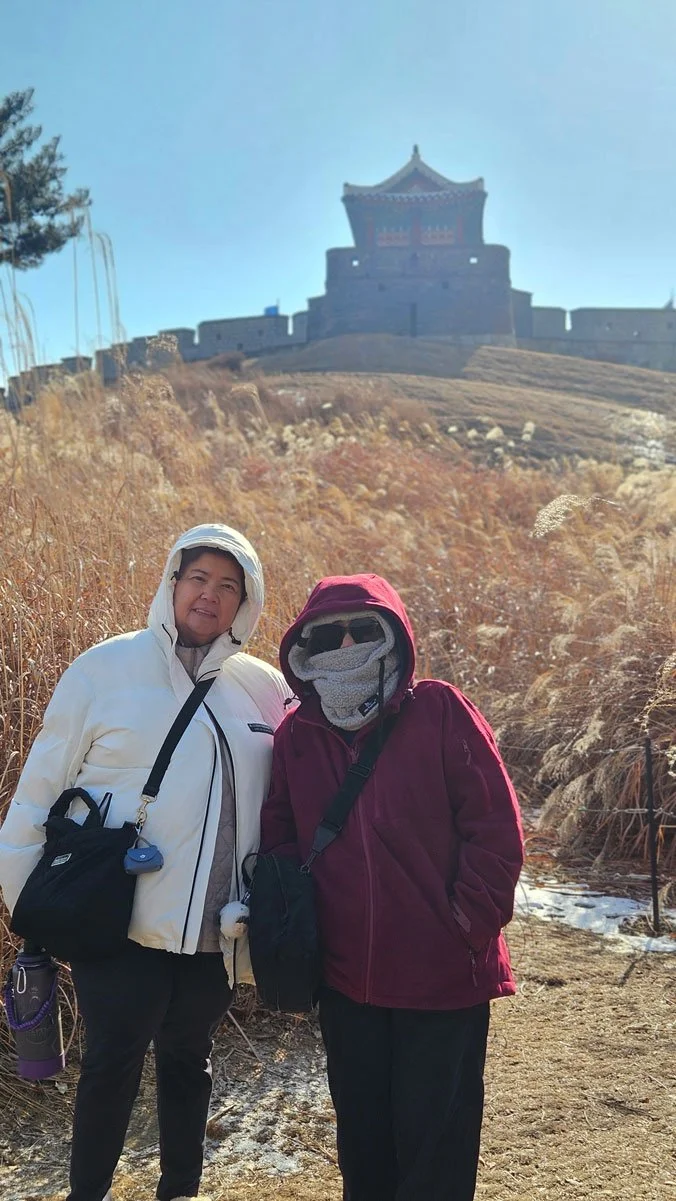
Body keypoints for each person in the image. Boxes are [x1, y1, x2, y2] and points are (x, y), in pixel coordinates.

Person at [0, 523, 292, 1201]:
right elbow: (41, 786)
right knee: (111, 1063)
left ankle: (180, 1190)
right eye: (198, 578)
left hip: (215, 928)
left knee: (190, 1060)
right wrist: (30, 905)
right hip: (118, 922)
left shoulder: (262, 688)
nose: (209, 595)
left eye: (228, 585)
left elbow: (301, 781)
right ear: (172, 582)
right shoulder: (105, 669)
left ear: (245, 602)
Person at [260, 573, 524, 1201]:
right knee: (364, 1149)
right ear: (306, 646)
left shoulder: (439, 710)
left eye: (363, 628)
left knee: (435, 1154)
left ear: (393, 635)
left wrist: (465, 924)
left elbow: (496, 828)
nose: (348, 643)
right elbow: (280, 839)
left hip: (444, 980)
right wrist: (301, 935)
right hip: (347, 982)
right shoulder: (297, 735)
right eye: (331, 634)